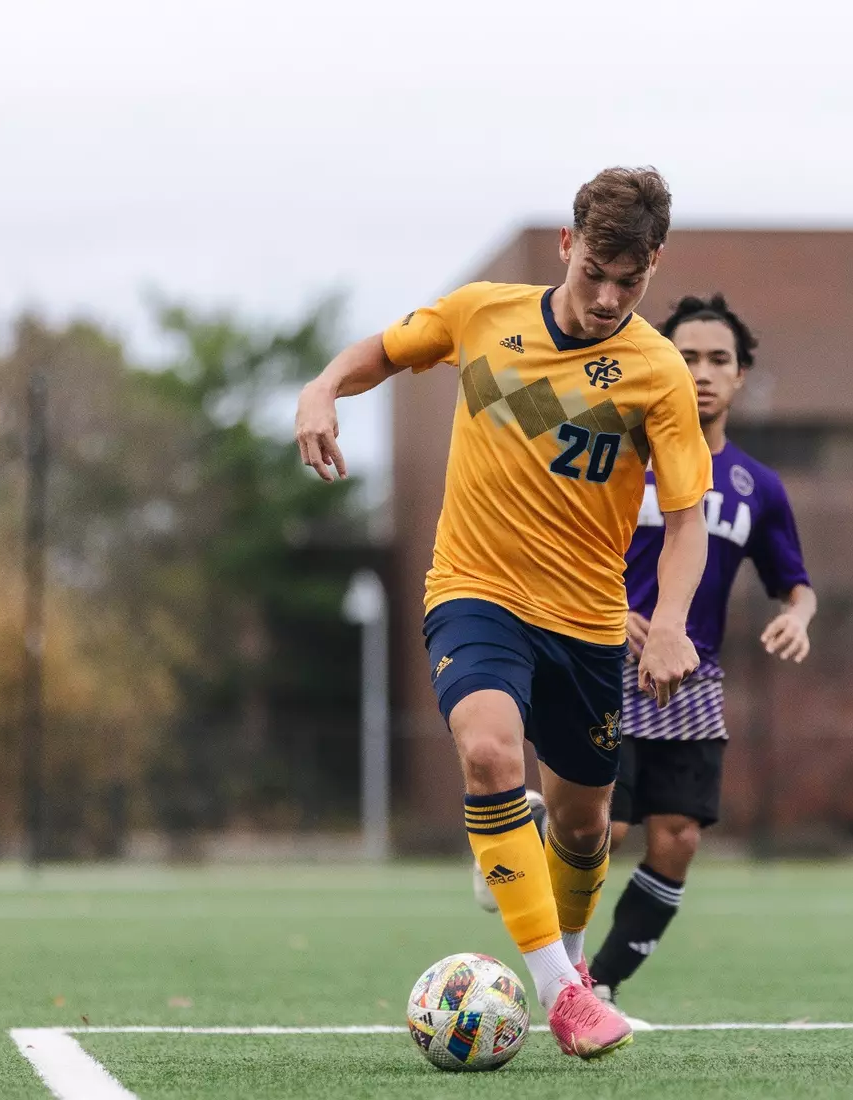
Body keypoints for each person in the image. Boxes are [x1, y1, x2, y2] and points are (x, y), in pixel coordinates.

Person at [295, 167, 713, 1060]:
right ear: (566, 246)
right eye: (594, 270)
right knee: (487, 751)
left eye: (628, 282)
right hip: (475, 590)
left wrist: (669, 617)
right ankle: (565, 991)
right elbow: (384, 349)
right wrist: (324, 386)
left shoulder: (659, 375)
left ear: (653, 269)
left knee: (583, 824)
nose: (606, 297)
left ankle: (555, 939)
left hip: (590, 623)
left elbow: (686, 522)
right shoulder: (484, 314)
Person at [587, 293, 816, 1011]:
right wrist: (612, 611)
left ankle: (598, 987)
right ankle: (526, 870)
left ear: (741, 376)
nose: (702, 371)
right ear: (661, 363)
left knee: (678, 838)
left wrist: (800, 618)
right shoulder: (616, 453)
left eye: (720, 359)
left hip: (693, 681)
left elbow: (796, 586)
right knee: (602, 827)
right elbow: (561, 547)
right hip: (603, 662)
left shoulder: (757, 487)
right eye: (686, 357)